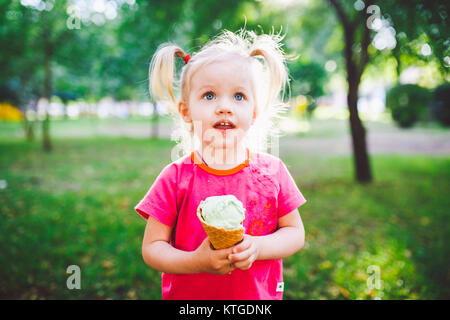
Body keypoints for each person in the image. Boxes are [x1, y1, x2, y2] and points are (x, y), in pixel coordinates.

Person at [134, 29, 307, 300]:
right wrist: (197, 262)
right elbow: (153, 248)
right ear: (186, 111)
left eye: (238, 96)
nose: (224, 107)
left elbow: (295, 233)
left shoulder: (273, 172)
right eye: (209, 95)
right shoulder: (175, 177)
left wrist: (258, 247)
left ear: (254, 111)